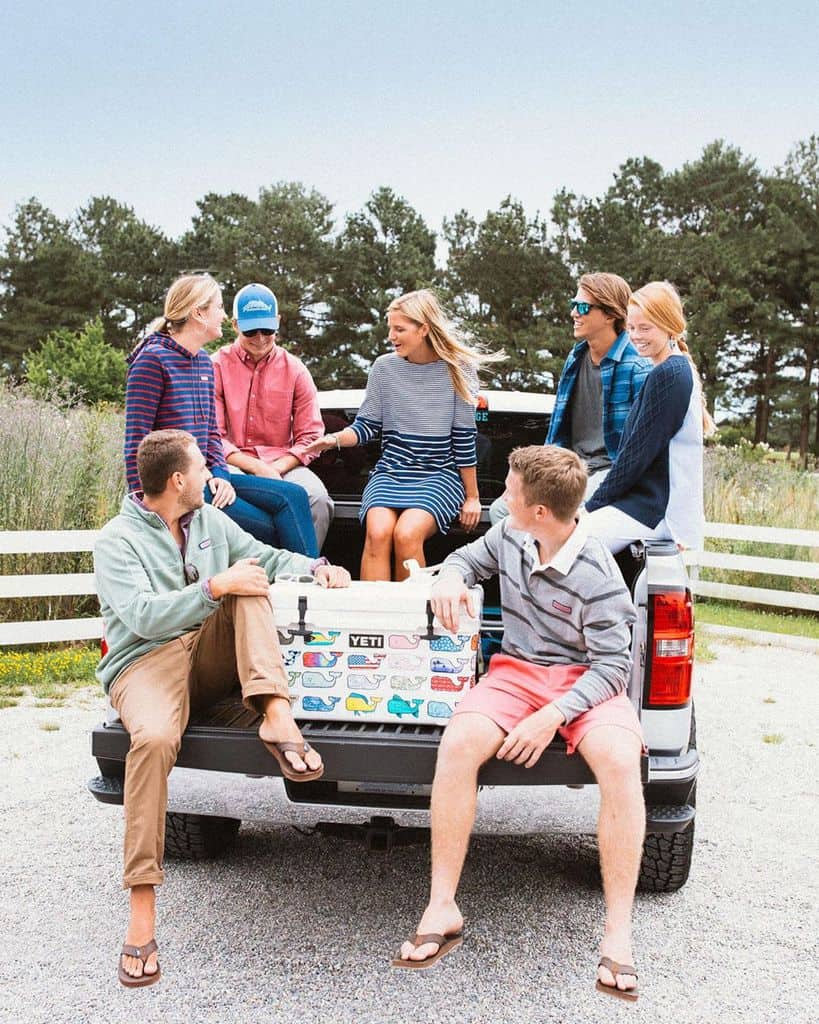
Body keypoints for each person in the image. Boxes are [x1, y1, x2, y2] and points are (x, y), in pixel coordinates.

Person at [95, 429, 351, 988]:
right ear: (177, 480)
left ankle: (275, 713)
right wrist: (214, 586)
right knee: (156, 741)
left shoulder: (209, 521)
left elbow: (266, 557)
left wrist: (318, 566)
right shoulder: (116, 540)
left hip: (206, 652)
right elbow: (141, 617)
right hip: (145, 661)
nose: (214, 475)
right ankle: (142, 910)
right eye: (202, 467)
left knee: (250, 583)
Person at [393, 445, 644, 1003]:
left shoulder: (599, 574)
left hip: (585, 683)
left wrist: (551, 716)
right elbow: (464, 559)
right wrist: (448, 579)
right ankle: (442, 904)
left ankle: (618, 933)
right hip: (516, 673)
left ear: (539, 512)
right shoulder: (510, 533)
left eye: (509, 490)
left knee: (623, 762)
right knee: (458, 744)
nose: (499, 497)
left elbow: (613, 668)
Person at [306, 289, 500, 581]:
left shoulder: (458, 370)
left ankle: (408, 625)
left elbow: (463, 437)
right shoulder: (384, 369)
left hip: (439, 475)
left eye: (399, 329)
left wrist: (472, 497)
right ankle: (373, 624)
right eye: (390, 329)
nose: (391, 336)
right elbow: (366, 426)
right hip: (391, 472)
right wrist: (333, 440)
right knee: (378, 531)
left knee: (407, 534)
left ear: (423, 329)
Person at [124, 274, 319, 557]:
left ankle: (308, 581)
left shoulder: (203, 361)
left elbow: (211, 434)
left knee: (295, 496)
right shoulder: (152, 362)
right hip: (175, 489)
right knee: (273, 525)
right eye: (218, 307)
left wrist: (220, 474)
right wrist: (146, 513)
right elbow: (135, 445)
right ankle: (303, 585)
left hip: (205, 480)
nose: (224, 316)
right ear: (198, 314)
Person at [489, 272, 650, 522]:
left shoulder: (638, 368)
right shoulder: (576, 358)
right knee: (502, 510)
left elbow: (640, 451)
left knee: (573, 516)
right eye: (573, 305)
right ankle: (530, 561)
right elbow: (557, 432)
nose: (574, 313)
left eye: (583, 307)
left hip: (609, 471)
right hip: (568, 467)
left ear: (610, 314)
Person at [585, 281, 713, 554]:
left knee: (567, 542)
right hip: (650, 505)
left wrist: (591, 506)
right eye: (631, 327)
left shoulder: (669, 374)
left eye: (645, 328)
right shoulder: (672, 370)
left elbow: (635, 457)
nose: (636, 336)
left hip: (653, 509)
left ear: (670, 326)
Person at [212, 283, 334, 549]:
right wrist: (256, 468)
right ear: (235, 325)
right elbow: (213, 435)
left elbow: (311, 435)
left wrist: (275, 468)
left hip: (284, 464)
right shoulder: (216, 366)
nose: (259, 337)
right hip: (231, 461)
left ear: (278, 322)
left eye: (267, 329)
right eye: (250, 330)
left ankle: (303, 574)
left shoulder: (296, 370)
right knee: (219, 497)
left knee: (318, 499)